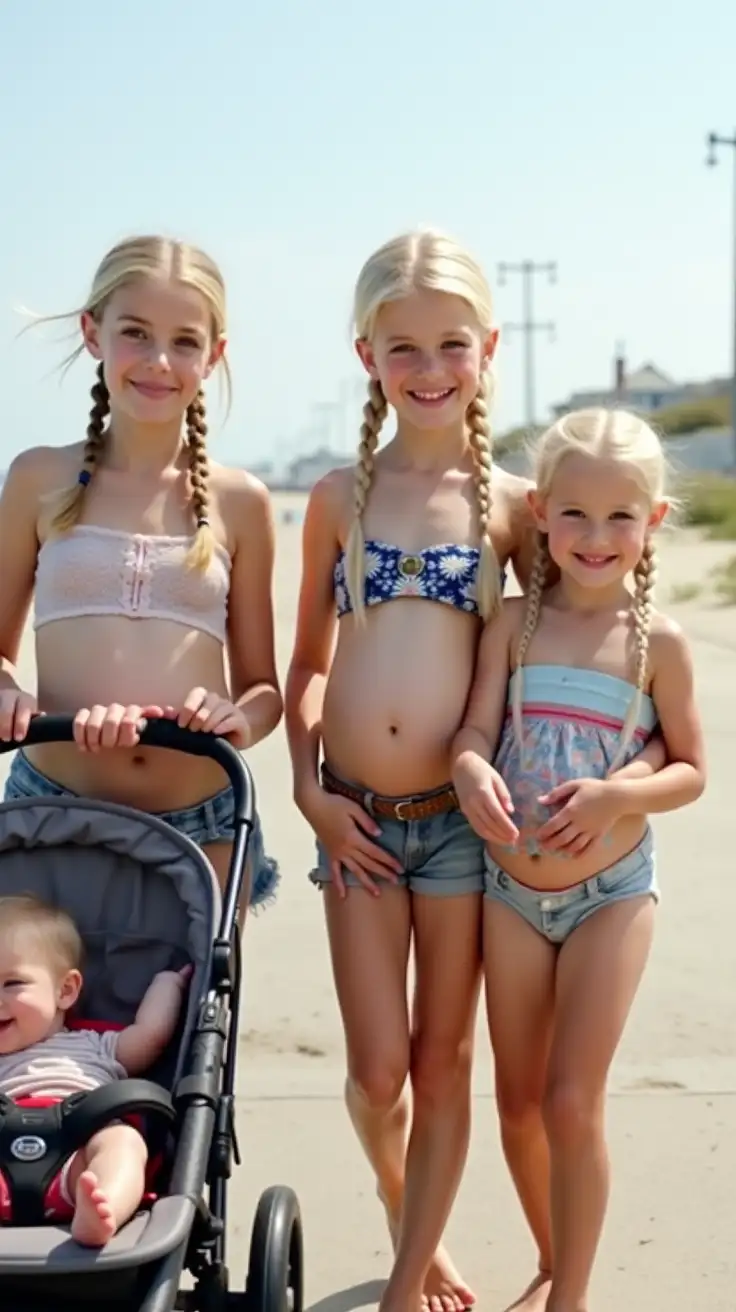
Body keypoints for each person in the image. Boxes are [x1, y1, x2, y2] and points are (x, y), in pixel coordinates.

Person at [284, 234, 665, 1312]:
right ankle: (404, 1198)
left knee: (442, 1061)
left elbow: (589, 630)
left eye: (452, 343)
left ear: (487, 348)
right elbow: (308, 666)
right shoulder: (331, 501)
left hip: (461, 830)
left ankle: (409, 1279)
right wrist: (308, 790)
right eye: (402, 346)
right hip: (352, 820)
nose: (429, 366)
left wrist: (626, 775)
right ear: (366, 354)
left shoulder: (512, 504)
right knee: (374, 1077)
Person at [451, 407, 706, 1312]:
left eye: (621, 518)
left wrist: (616, 795)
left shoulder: (656, 642)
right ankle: (554, 1258)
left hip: (611, 895)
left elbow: (690, 771)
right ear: (544, 513)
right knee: (517, 1104)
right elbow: (479, 725)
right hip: (510, 893)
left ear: (654, 522)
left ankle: (572, 1300)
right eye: (576, 516)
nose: (597, 539)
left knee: (570, 1100)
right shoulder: (514, 624)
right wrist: (469, 761)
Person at [0, 235, 281, 916]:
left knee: (191, 1021)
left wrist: (234, 717)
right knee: (36, 1020)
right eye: (135, 333)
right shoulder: (38, 477)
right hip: (51, 811)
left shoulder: (240, 501)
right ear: (93, 333)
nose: (159, 361)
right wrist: (7, 694)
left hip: (202, 823)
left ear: (214, 355)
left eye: (185, 341)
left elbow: (264, 690)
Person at [0, 894, 190, 1246]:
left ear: (66, 990)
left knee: (122, 1142)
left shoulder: (94, 1042)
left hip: (76, 1152)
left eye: (12, 984)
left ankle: (104, 1207)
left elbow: (150, 1035)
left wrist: (168, 984)